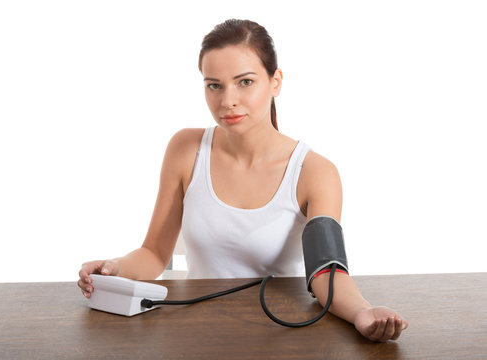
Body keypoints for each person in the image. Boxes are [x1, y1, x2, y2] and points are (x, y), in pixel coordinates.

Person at [78, 19, 408, 342]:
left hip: (281, 334)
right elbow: (154, 253)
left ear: (275, 81)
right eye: (214, 85)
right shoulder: (185, 149)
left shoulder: (315, 172)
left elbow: (326, 273)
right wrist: (113, 269)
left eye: (245, 82)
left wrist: (363, 311)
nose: (227, 101)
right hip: (196, 332)